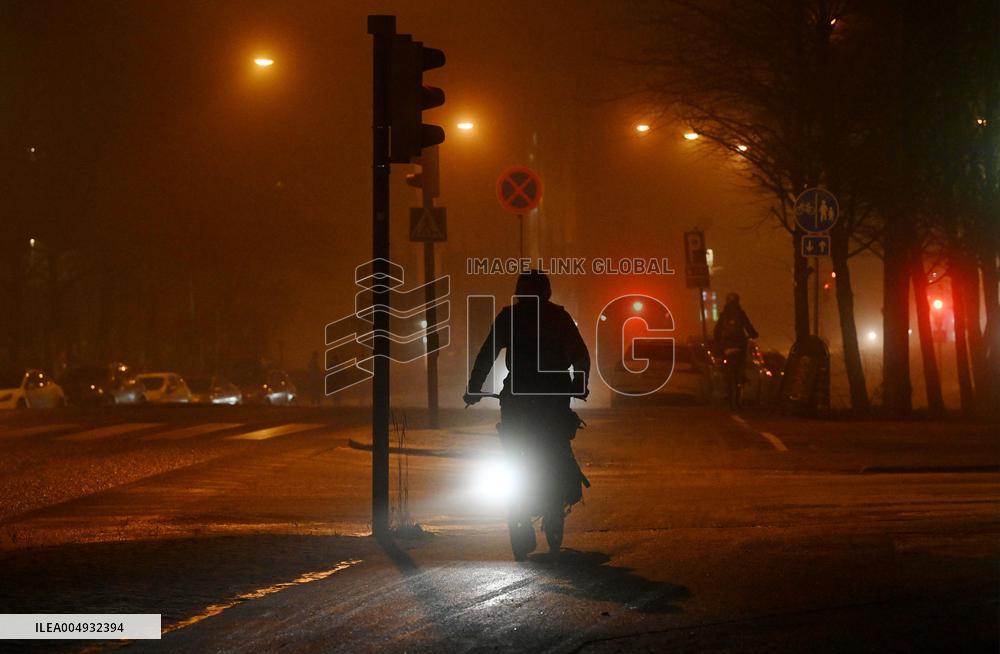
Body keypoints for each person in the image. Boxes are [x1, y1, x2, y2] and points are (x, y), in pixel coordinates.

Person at [464, 270, 590, 558]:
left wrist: (474, 388)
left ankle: (541, 495)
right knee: (555, 444)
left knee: (515, 447)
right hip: (551, 398)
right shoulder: (558, 317)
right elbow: (581, 356)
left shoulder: (511, 316)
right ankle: (555, 491)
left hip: (519, 397)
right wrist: (579, 384)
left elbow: (487, 353)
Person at [713, 292, 759, 408]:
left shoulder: (723, 315)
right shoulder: (741, 314)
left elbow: (716, 331)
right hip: (740, 346)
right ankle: (740, 380)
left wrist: (719, 341)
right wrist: (754, 334)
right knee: (741, 365)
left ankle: (728, 390)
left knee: (726, 368)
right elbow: (749, 328)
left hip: (727, 347)